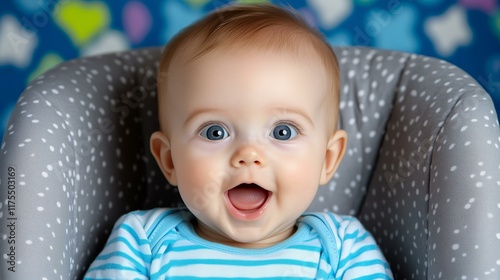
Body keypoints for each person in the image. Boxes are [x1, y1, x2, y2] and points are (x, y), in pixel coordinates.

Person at [84, 4, 393, 279]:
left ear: (327, 160)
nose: (249, 155)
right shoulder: (142, 242)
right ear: (169, 160)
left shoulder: (343, 248)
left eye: (282, 132)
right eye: (214, 132)